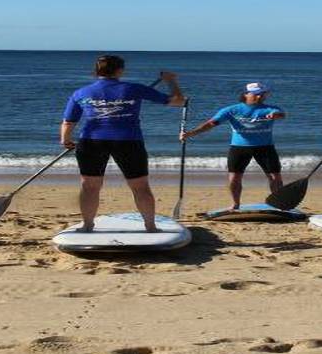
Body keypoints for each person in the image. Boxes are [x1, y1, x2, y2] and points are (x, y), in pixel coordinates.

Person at [60, 55, 185, 232]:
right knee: (140, 186)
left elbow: (68, 122)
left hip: (91, 141)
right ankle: (150, 226)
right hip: (128, 141)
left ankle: (88, 225)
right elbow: (179, 101)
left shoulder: (81, 92)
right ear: (120, 70)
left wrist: (65, 140)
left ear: (96, 71)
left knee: (90, 187)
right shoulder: (134, 88)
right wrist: (171, 81)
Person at [180, 82, 286, 210]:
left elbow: (281, 114)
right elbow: (211, 123)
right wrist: (190, 134)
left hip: (265, 147)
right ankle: (235, 203)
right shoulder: (231, 110)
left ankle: (278, 203)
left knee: (275, 177)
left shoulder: (270, 109)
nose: (260, 97)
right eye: (256, 94)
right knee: (234, 178)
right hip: (239, 148)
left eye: (262, 94)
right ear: (246, 94)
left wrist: (276, 115)